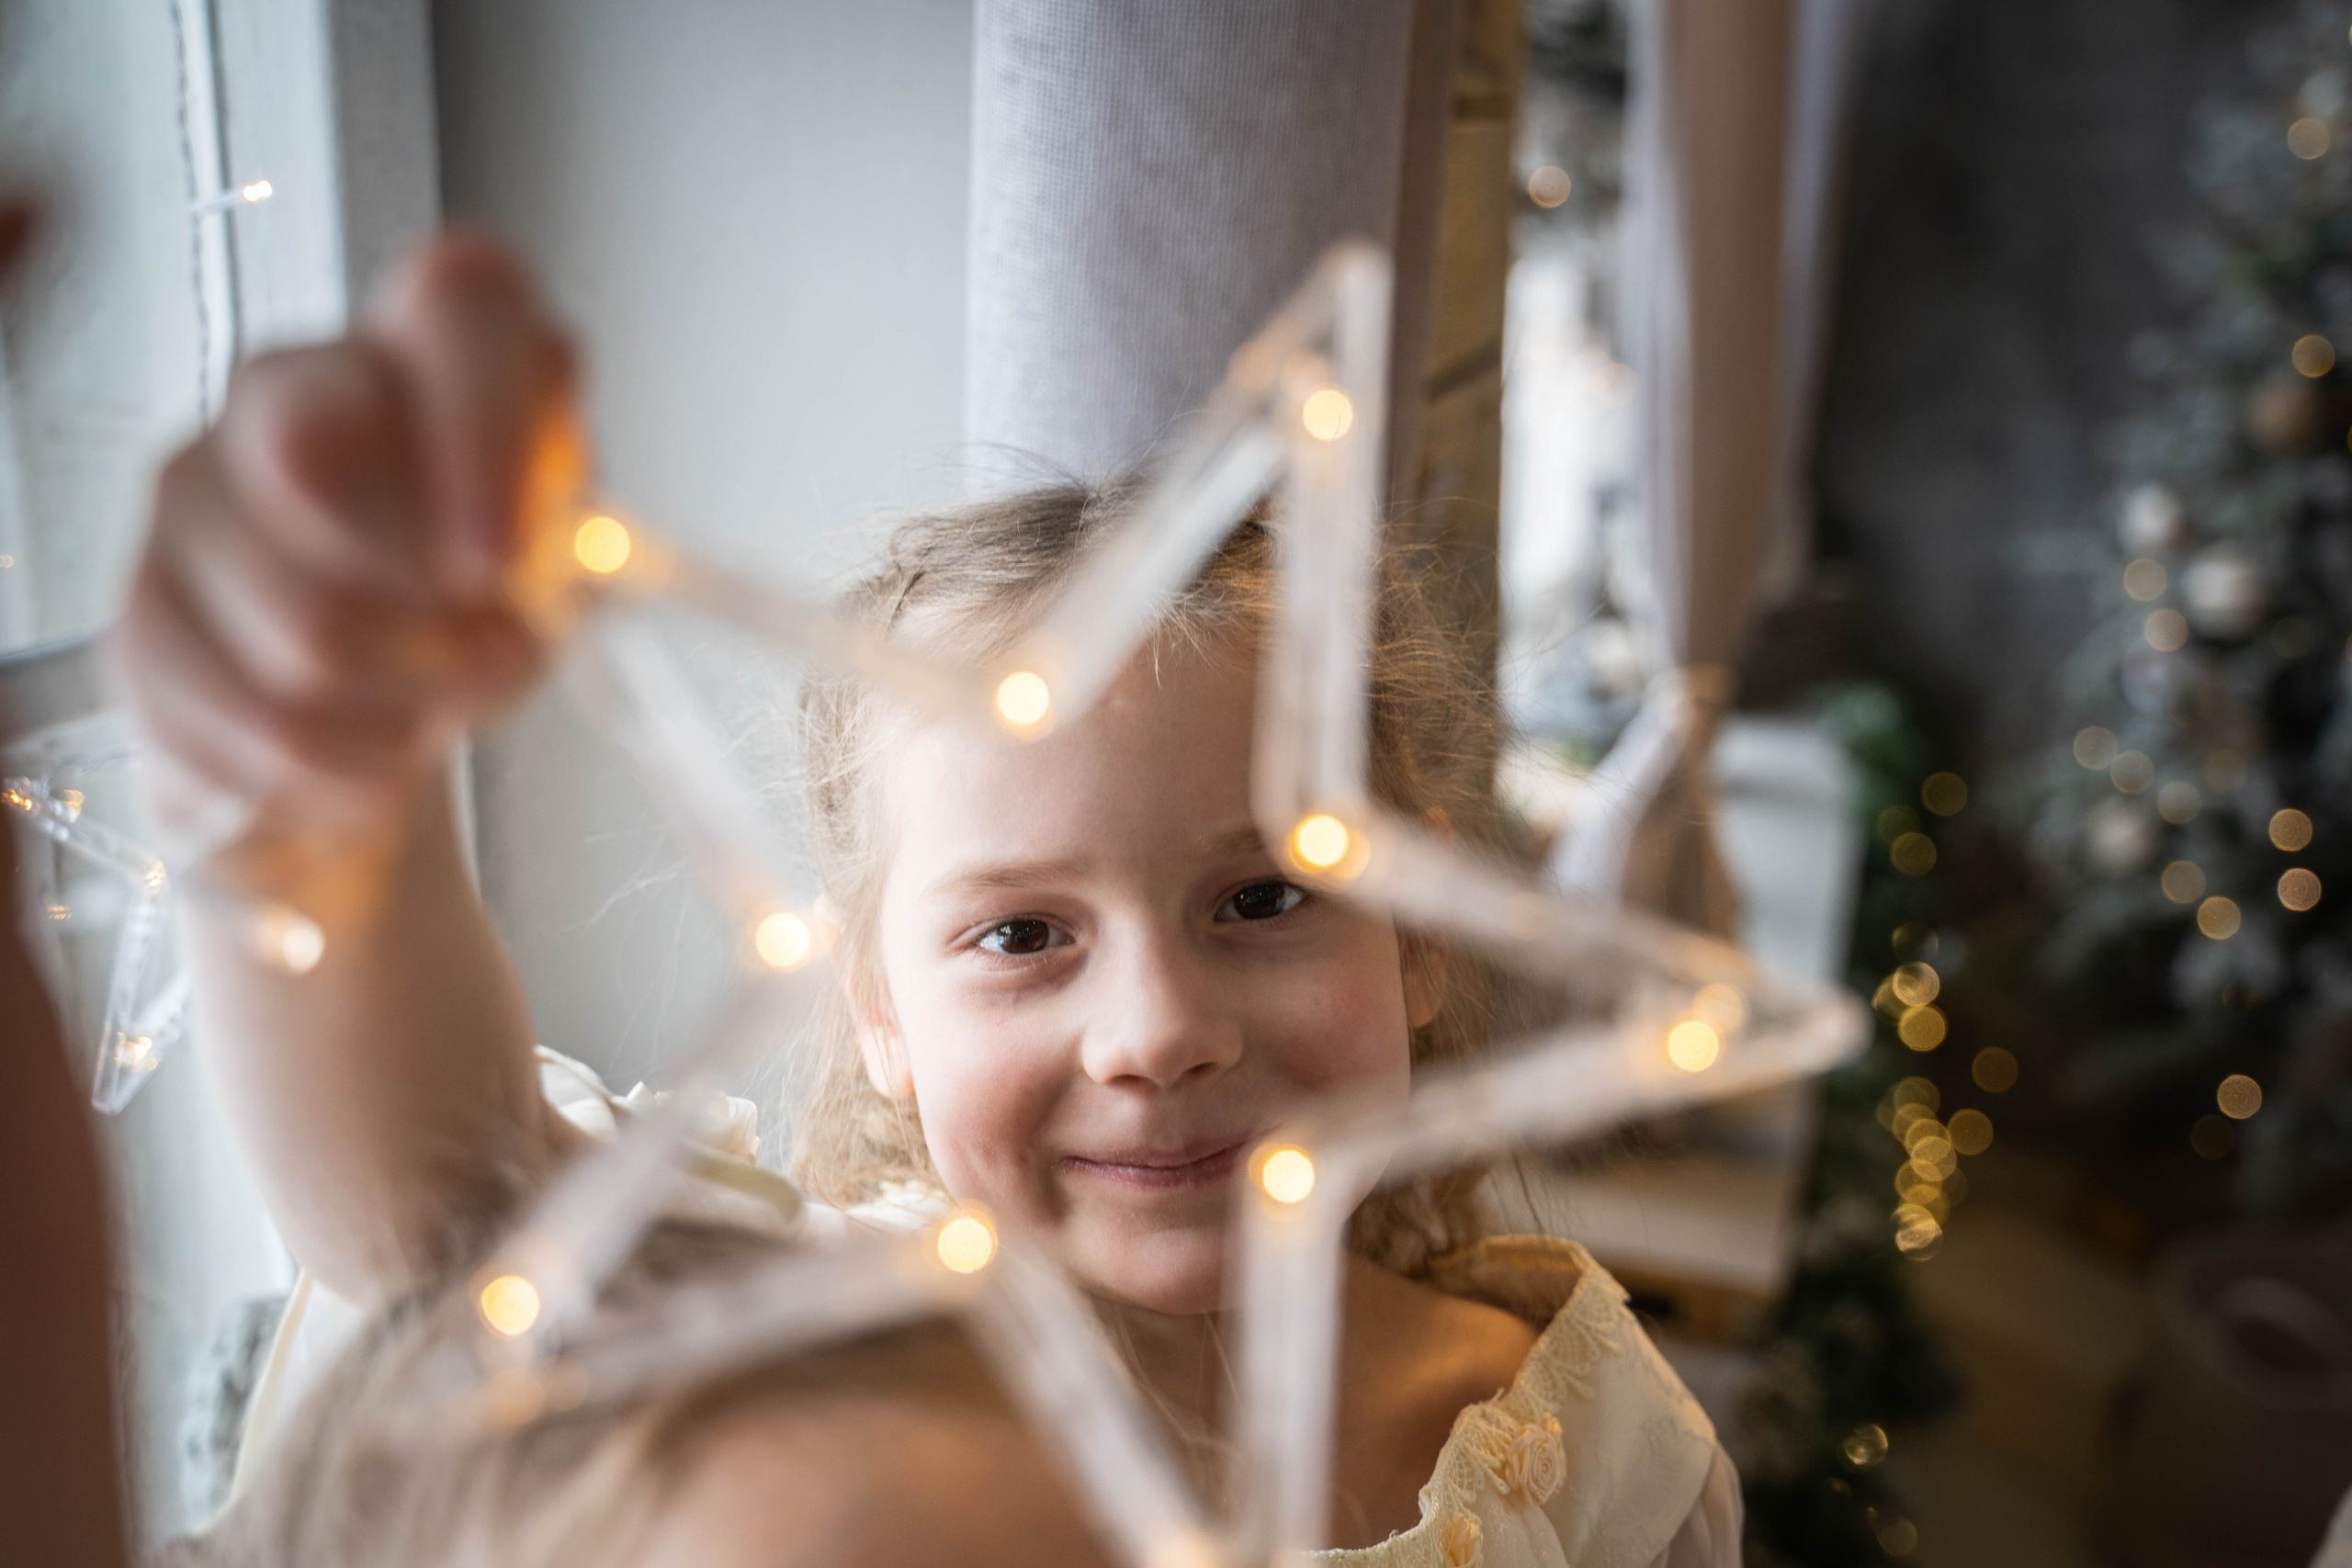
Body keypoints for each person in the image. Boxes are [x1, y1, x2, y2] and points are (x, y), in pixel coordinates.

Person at [113, 230, 1740, 1565]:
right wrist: (299, 792)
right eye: (1023, 935)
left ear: (1427, 931)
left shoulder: (1586, 1440)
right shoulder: (819, 1346)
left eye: (1262, 899)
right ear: (878, 1013)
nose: (1157, 1033)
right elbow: (441, 1210)